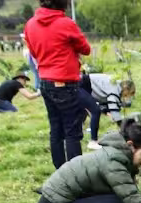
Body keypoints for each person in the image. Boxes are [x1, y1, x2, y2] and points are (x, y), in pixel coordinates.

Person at [24, 0, 91, 169]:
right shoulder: (66, 23)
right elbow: (86, 49)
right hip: (65, 83)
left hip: (45, 82)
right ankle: (76, 175)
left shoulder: (30, 24)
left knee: (56, 128)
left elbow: (33, 52)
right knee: (72, 131)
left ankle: (60, 173)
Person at [80, 72, 135, 149]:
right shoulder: (114, 88)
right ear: (126, 89)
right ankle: (93, 141)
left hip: (83, 84)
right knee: (96, 111)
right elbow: (113, 107)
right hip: (81, 84)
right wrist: (123, 127)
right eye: (127, 95)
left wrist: (107, 111)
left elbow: (103, 101)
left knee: (81, 111)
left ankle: (75, 136)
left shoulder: (117, 84)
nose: (125, 97)